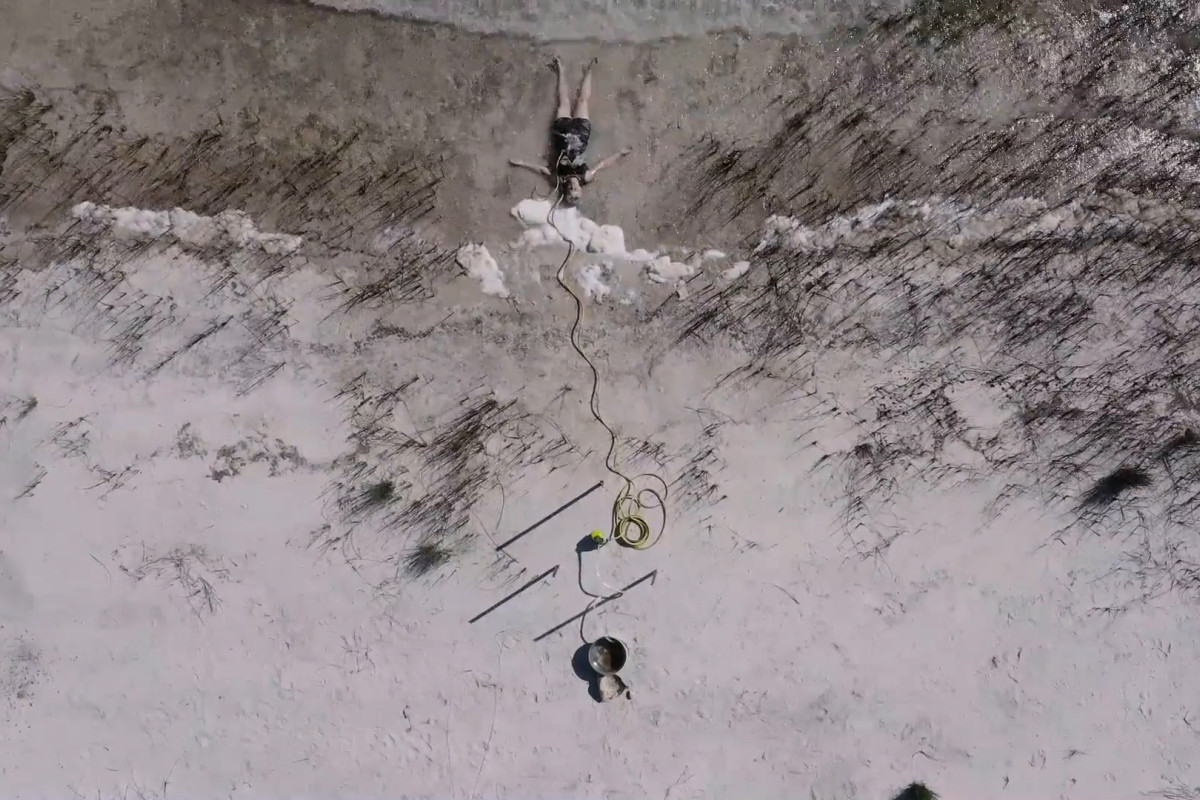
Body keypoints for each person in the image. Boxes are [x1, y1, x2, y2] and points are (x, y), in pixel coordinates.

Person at [508, 56, 632, 205]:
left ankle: (561, 69)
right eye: (576, 192)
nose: (573, 188)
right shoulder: (586, 176)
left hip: (562, 132)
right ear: (580, 190)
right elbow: (603, 164)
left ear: (566, 191)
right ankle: (589, 70)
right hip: (581, 132)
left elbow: (542, 170)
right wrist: (620, 154)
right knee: (582, 100)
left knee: (564, 101)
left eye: (570, 192)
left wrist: (521, 163)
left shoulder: (558, 179)